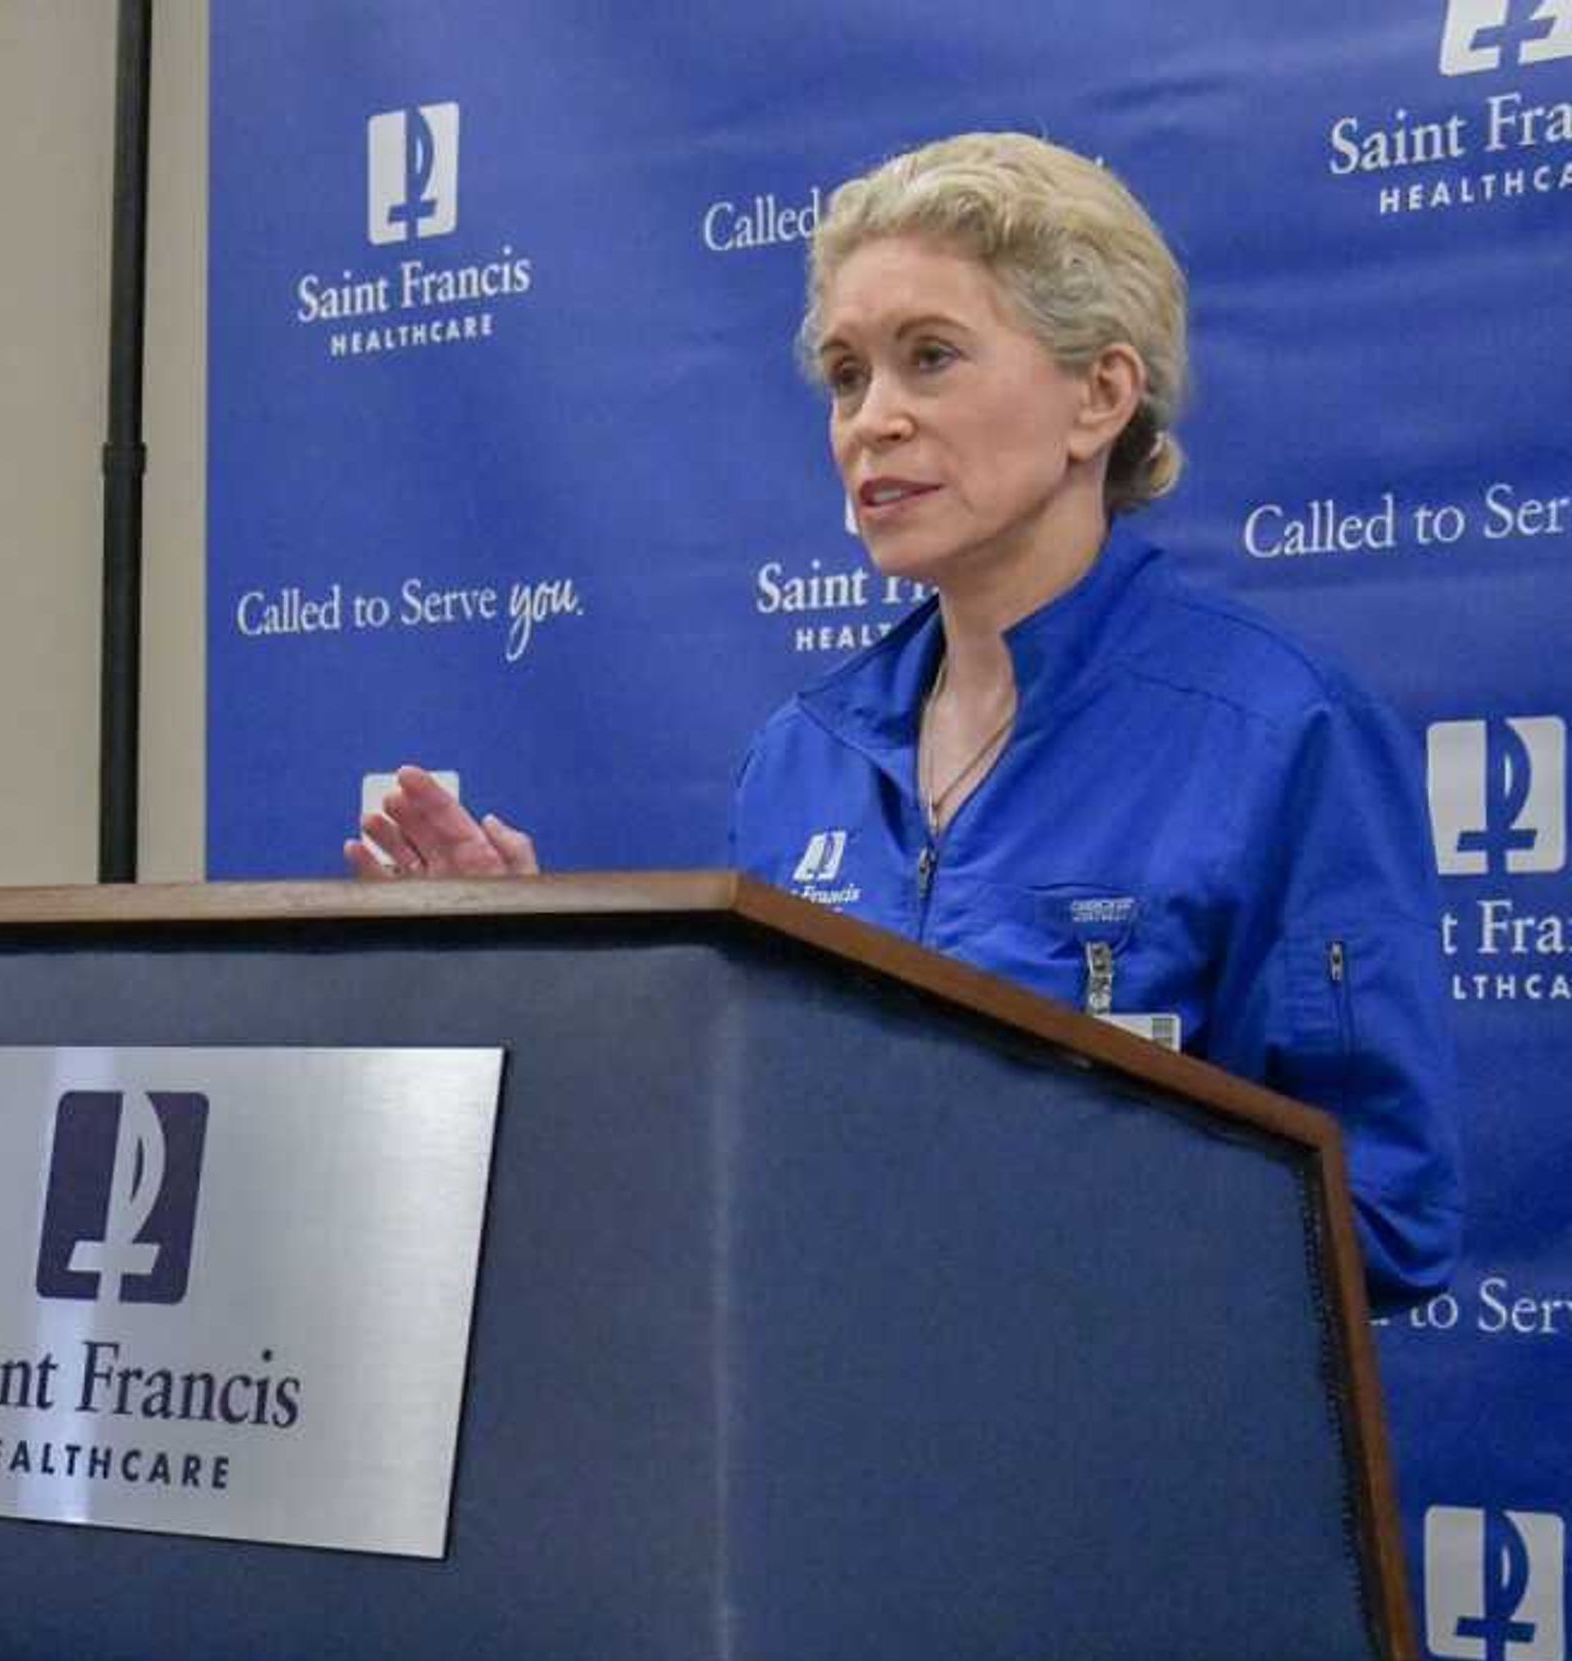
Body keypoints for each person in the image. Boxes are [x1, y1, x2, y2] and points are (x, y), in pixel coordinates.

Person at [347, 130, 1462, 1306]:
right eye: (846, 375)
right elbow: (743, 1155)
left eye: (930, 358)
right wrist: (554, 979)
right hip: (833, 1453)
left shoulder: (1282, 732)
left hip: (1125, 1454)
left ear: (1100, 395)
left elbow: (1383, 1221)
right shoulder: (804, 757)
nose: (871, 420)